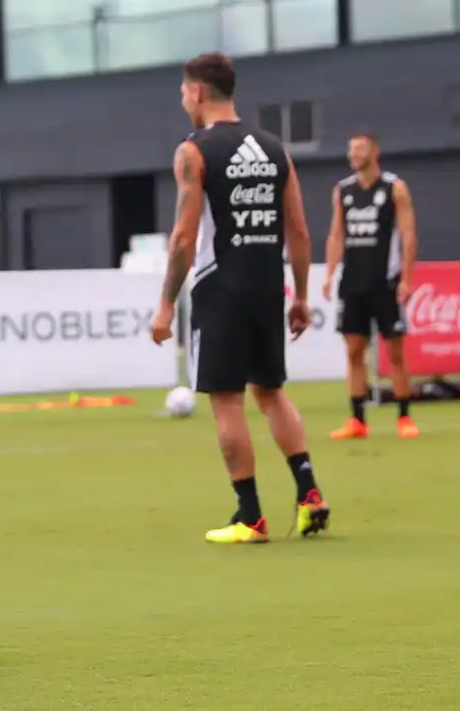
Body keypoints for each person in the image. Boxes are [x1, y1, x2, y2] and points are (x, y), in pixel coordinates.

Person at [150, 54, 330, 545]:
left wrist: (166, 304)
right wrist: (300, 297)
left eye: (184, 92)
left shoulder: (194, 150)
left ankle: (250, 516)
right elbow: (299, 229)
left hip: (220, 287)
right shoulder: (274, 149)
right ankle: (309, 493)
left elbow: (184, 237)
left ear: (199, 92)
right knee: (271, 391)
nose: (183, 100)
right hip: (268, 285)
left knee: (227, 401)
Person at [322, 134, 419, 440]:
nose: (353, 154)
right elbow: (336, 234)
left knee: (395, 352)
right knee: (354, 351)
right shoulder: (343, 190)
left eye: (360, 149)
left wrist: (406, 278)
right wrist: (329, 273)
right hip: (353, 282)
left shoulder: (394, 188)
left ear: (375, 152)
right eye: (350, 150)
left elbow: (408, 234)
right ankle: (357, 419)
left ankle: (404, 416)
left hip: (385, 281)